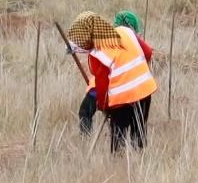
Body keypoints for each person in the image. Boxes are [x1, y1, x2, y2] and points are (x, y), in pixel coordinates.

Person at [67, 11, 157, 153]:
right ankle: (140, 162)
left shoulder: (98, 51)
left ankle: (119, 163)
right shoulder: (125, 31)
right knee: (138, 135)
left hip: (123, 98)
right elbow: (148, 52)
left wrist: (104, 106)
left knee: (118, 140)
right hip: (144, 90)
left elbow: (102, 83)